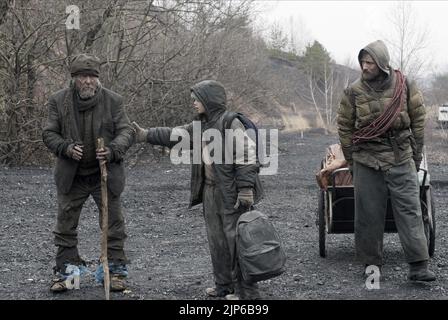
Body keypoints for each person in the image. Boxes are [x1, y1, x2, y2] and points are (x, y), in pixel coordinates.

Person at [132, 80, 264, 299]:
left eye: (197, 99)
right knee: (217, 241)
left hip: (231, 192)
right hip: (210, 191)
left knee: (237, 242)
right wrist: (146, 134)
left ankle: (247, 292)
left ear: (209, 100)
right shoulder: (201, 125)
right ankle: (224, 286)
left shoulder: (231, 122)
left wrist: (246, 189)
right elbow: (174, 135)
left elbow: (247, 157)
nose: (193, 103)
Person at [337, 40, 435, 282]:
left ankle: (419, 266)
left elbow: (418, 121)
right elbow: (345, 128)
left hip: (400, 155)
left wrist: (415, 154)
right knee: (368, 214)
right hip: (366, 159)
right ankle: (371, 265)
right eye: (362, 62)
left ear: (382, 64)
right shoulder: (353, 91)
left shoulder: (405, 85)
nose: (364, 67)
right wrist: (352, 161)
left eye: (369, 62)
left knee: (410, 210)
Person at [42, 53, 135, 292]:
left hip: (105, 175)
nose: (88, 81)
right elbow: (49, 133)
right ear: (74, 79)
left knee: (114, 223)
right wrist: (65, 148)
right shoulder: (58, 101)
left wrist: (114, 150)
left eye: (92, 76)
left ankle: (115, 271)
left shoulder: (114, 101)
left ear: (98, 79)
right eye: (83, 76)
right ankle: (67, 273)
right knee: (65, 224)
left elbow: (126, 131)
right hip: (72, 176)